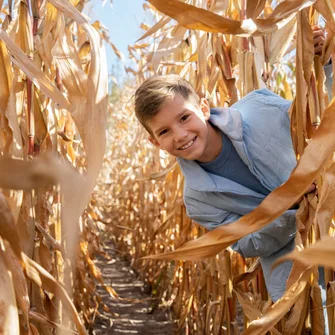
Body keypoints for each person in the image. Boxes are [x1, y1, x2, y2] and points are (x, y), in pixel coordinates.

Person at [134, 28, 332, 303]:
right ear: (155, 142)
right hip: (297, 281)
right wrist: (286, 205)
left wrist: (327, 61)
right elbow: (249, 244)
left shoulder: (260, 108)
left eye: (184, 118)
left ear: (203, 108)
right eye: (164, 132)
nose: (180, 135)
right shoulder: (198, 200)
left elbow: (323, 121)